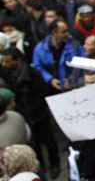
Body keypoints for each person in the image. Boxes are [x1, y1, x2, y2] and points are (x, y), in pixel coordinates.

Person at [0, 47, 59, 177]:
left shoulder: (32, 74)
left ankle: (55, 164)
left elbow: (42, 93)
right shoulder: (7, 73)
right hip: (24, 113)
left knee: (48, 141)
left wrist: (37, 110)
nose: (4, 64)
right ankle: (40, 165)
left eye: (7, 61)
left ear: (18, 61)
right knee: (34, 144)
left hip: (38, 114)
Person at [32, 19, 84, 92]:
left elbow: (82, 63)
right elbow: (38, 67)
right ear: (54, 32)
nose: (68, 34)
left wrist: (72, 79)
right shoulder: (40, 49)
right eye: (63, 32)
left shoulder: (75, 45)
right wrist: (50, 79)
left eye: (67, 30)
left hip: (73, 86)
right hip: (52, 88)